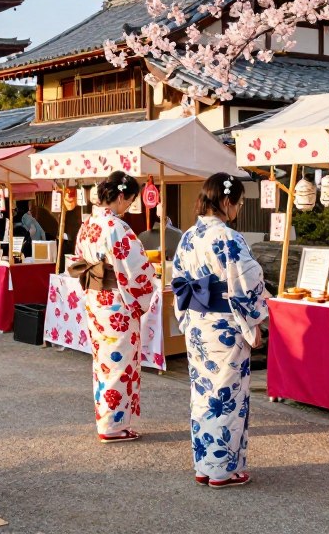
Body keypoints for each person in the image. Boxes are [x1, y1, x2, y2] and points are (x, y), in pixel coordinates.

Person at [172, 173, 268, 488]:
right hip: (225, 327)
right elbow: (249, 282)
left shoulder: (188, 236)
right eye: (238, 203)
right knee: (227, 396)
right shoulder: (228, 238)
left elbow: (180, 282)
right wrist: (256, 318)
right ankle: (223, 470)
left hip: (198, 326)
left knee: (203, 394)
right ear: (226, 202)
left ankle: (204, 465)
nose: (238, 209)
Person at [69, 171, 156, 443]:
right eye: (128, 202)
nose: (128, 207)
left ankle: (107, 420)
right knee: (118, 363)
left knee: (104, 363)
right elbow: (138, 271)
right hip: (117, 305)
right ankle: (113, 426)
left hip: (96, 300)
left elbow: (78, 260)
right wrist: (146, 288)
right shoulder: (117, 228)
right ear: (120, 196)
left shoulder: (88, 224)